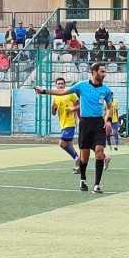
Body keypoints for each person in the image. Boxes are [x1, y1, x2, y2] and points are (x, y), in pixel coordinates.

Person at [34, 63, 113, 193]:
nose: (104, 74)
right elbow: (62, 92)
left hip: (99, 123)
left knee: (99, 151)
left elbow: (109, 107)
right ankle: (83, 180)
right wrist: (44, 91)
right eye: (102, 71)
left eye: (105, 72)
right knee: (85, 156)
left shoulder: (106, 90)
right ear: (94, 72)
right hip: (85, 123)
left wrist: (108, 120)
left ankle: (97, 185)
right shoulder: (81, 85)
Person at [51, 77, 82, 172]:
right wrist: (53, 107)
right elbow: (53, 113)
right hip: (63, 124)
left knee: (62, 143)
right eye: (58, 84)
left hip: (70, 122)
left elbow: (80, 105)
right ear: (56, 85)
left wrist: (73, 109)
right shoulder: (55, 96)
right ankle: (79, 165)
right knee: (68, 144)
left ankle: (77, 159)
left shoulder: (71, 94)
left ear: (65, 85)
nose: (60, 85)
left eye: (62, 83)